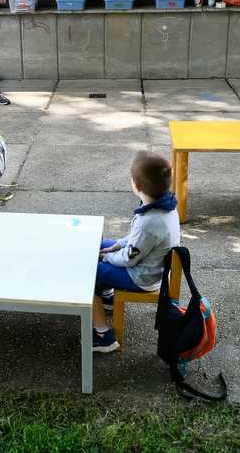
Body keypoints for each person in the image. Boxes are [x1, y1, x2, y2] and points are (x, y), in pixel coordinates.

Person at [93, 151, 181, 353]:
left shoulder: (150, 222)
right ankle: (107, 296)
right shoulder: (164, 206)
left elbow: (130, 258)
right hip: (150, 265)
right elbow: (135, 241)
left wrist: (107, 256)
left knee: (90, 271)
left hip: (141, 277)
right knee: (99, 245)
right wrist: (115, 246)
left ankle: (103, 335)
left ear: (137, 186)